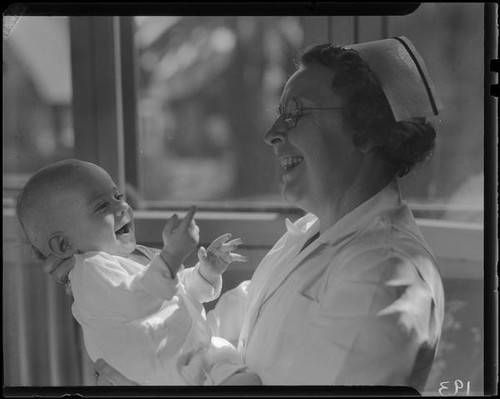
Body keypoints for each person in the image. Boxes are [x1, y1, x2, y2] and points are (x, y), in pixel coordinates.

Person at [42, 36, 445, 392]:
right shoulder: (311, 232)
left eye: (295, 113)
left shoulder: (385, 277)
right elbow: (228, 326)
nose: (271, 132)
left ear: (368, 131)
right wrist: (122, 329)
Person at [16, 159, 261, 386]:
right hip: (167, 375)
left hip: (196, 360)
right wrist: (172, 256)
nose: (122, 206)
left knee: (250, 380)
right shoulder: (89, 272)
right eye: (102, 206)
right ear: (64, 246)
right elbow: (138, 299)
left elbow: (176, 292)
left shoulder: (133, 258)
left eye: (118, 196)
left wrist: (205, 273)